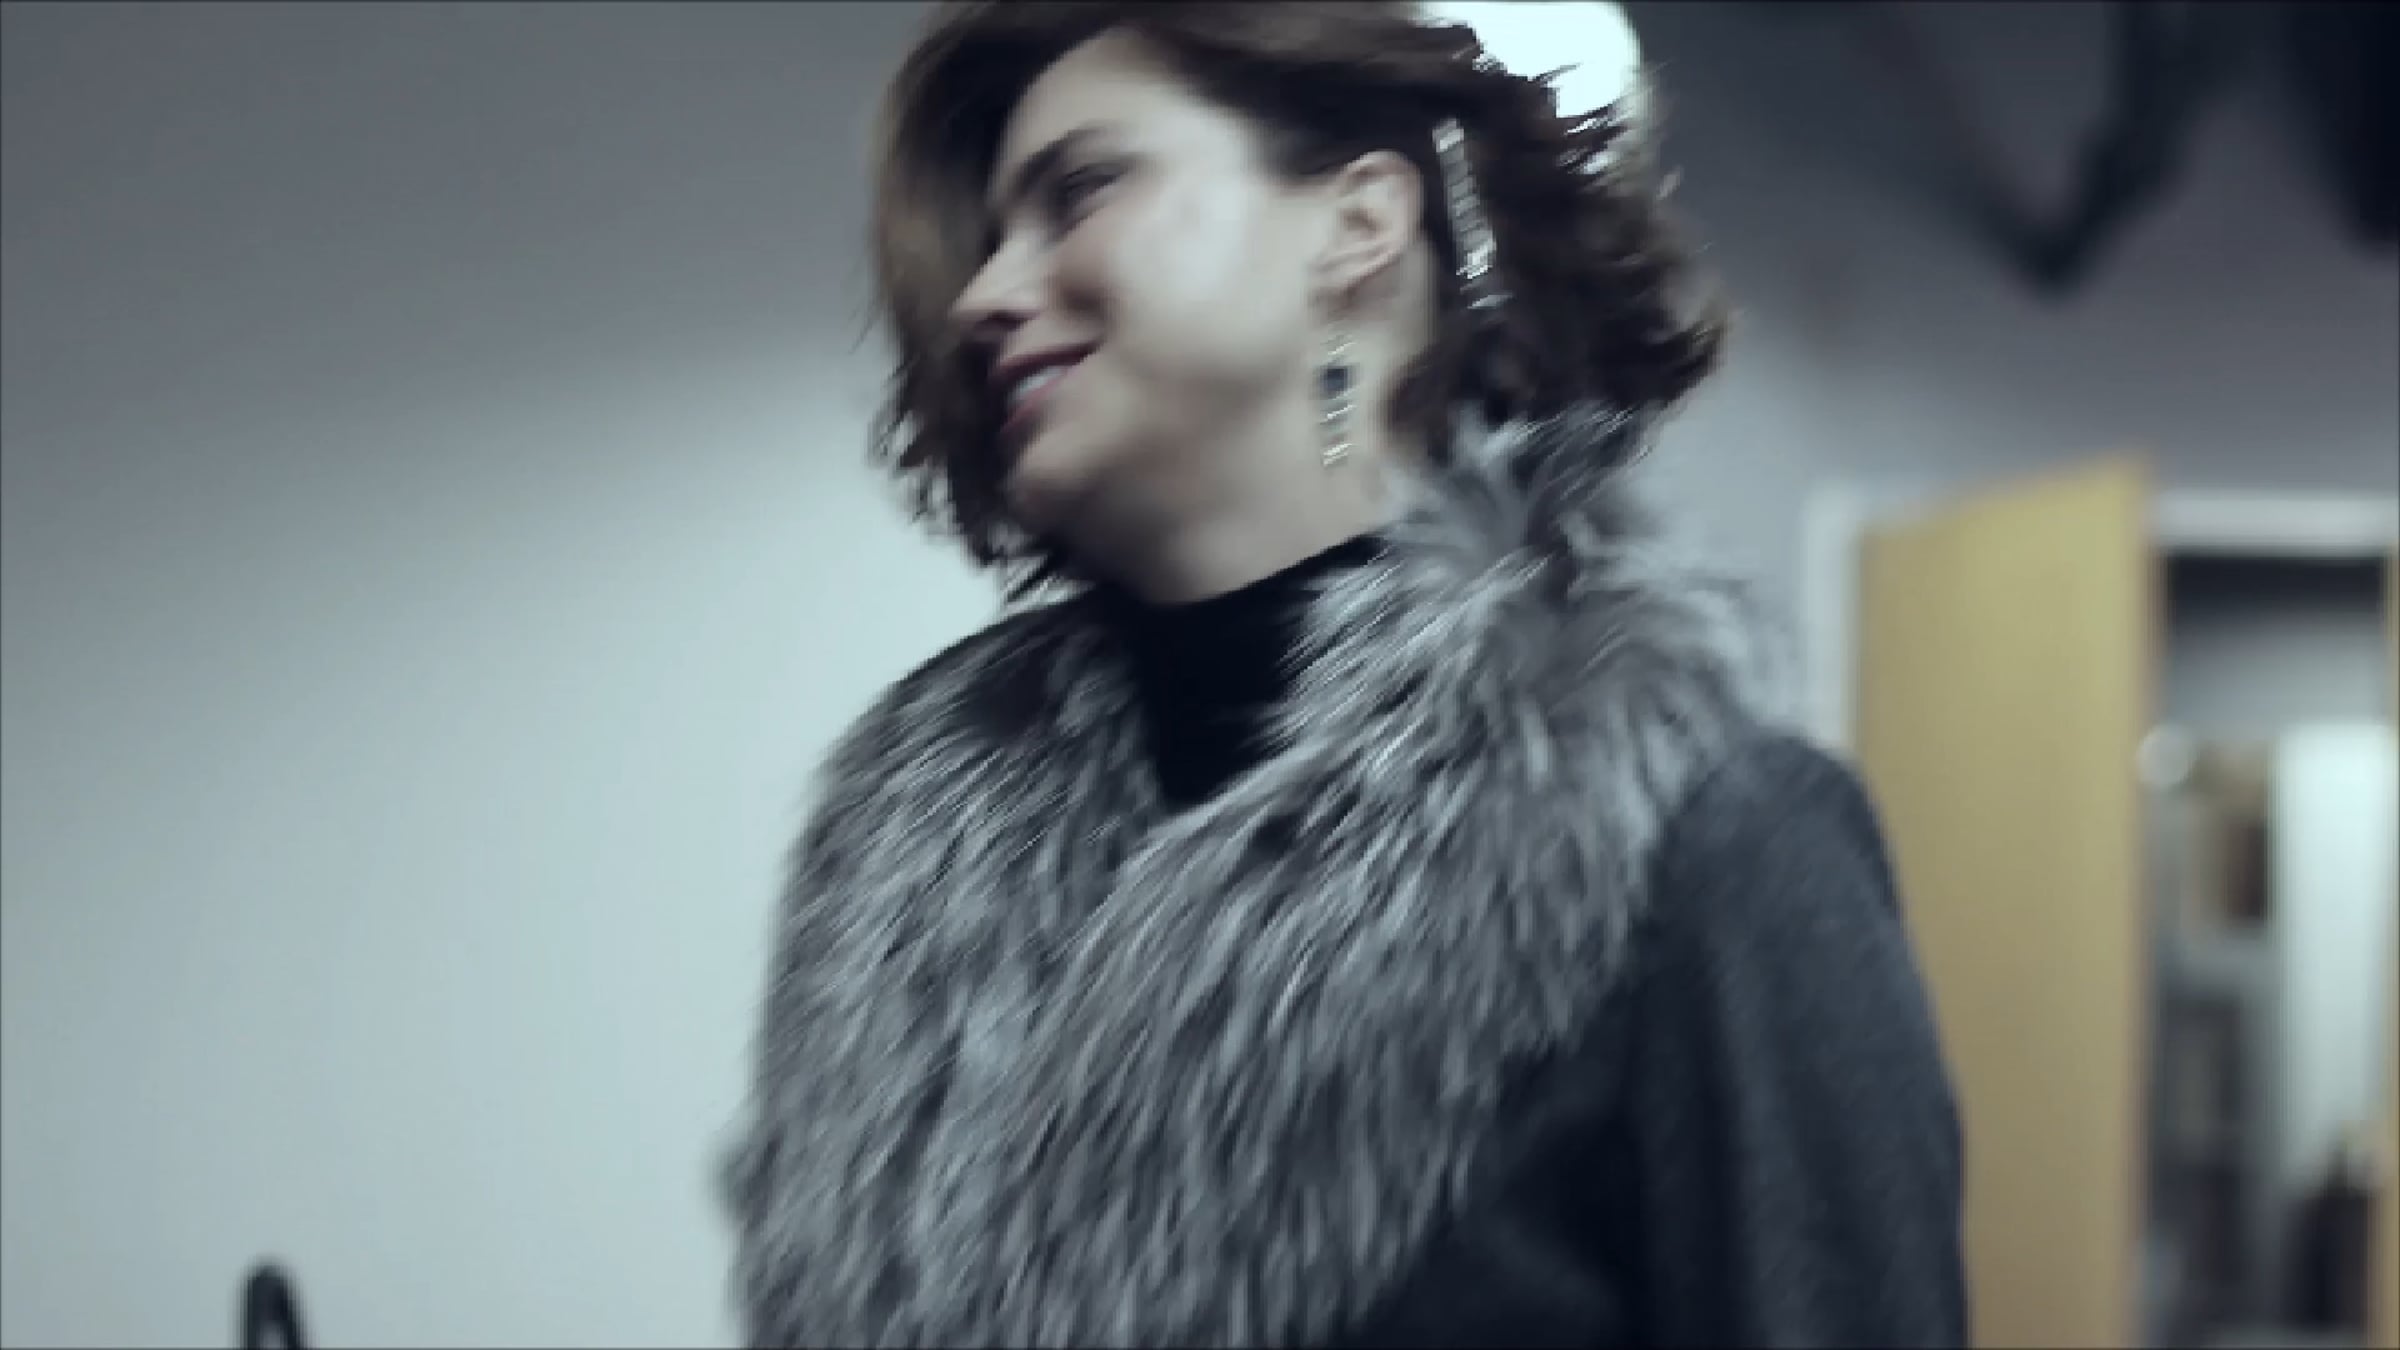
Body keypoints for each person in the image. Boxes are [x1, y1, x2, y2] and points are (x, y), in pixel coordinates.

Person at [718, 2, 1969, 1346]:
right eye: (985, 243)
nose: (984, 296)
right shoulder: (899, 885)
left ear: (1359, 224)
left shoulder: (1708, 845)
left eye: (1079, 193)